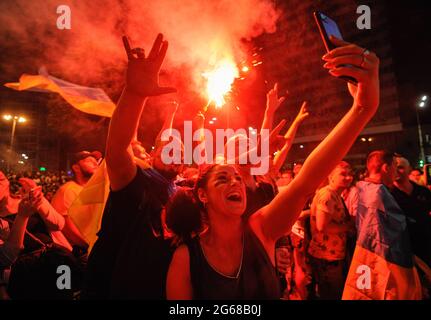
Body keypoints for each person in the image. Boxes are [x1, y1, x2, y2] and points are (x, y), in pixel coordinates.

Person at [166, 36, 381, 299]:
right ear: (202, 194)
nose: (236, 183)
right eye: (223, 179)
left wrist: (361, 109)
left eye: (236, 178)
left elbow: (306, 180)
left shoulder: (261, 228)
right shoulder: (186, 256)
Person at [84, 33, 180, 299]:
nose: (175, 153)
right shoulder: (135, 179)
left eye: (180, 151)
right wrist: (135, 94)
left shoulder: (178, 194)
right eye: (169, 148)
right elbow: (116, 149)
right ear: (153, 154)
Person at [342, 151, 422, 300]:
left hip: (366, 254)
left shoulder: (361, 187)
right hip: (383, 259)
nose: (396, 173)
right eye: (395, 167)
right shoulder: (378, 192)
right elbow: (387, 233)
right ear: (386, 168)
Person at [308, 161, 356, 299]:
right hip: (326, 257)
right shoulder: (328, 195)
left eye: (349, 174)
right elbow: (322, 226)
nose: (348, 177)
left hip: (332, 255)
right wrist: (349, 226)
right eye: (343, 174)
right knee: (332, 294)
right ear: (331, 176)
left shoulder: (335, 194)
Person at [50, 151, 100, 252]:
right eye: (89, 161)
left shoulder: (93, 190)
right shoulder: (68, 190)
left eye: (95, 161)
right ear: (76, 168)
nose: (95, 164)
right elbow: (67, 229)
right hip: (77, 252)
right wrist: (92, 247)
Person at [391, 156, 431, 267]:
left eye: (400, 167)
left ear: (409, 169)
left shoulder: (422, 191)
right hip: (403, 247)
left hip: (426, 243)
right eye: (393, 167)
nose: (396, 171)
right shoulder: (387, 194)